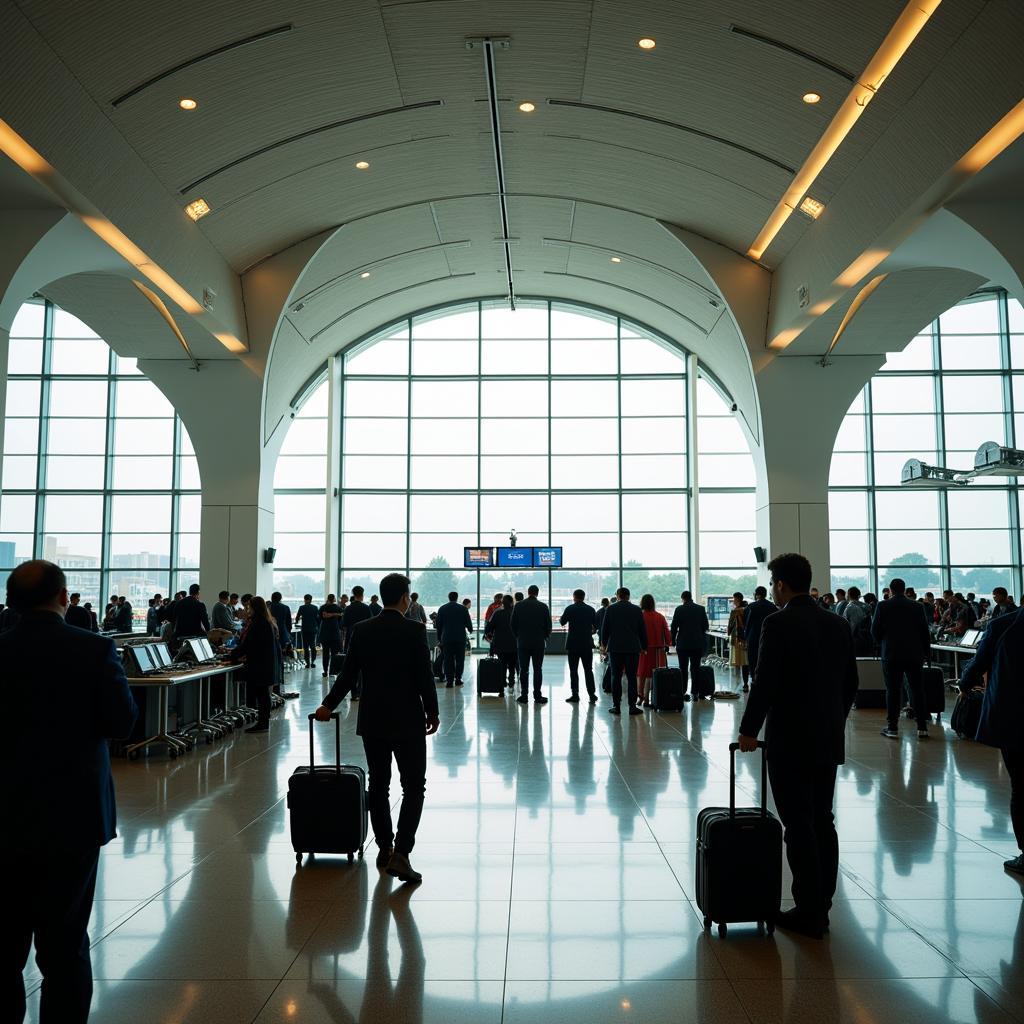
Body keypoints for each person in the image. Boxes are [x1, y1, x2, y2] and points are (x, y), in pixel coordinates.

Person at [2, 560, 138, 1022]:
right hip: (73, 817)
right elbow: (122, 723)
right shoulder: (95, 650)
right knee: (65, 945)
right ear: (64, 597)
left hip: (5, 816)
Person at [737, 552, 858, 939]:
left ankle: (808, 909)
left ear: (781, 584)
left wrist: (748, 730)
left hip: (790, 739)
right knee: (823, 818)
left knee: (798, 823)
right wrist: (834, 719)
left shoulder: (778, 623)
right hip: (827, 737)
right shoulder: (837, 623)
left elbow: (766, 682)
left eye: (774, 583)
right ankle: (822, 902)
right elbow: (851, 682)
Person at [315, 573, 440, 884]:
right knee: (413, 787)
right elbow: (425, 676)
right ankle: (402, 852)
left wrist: (327, 705)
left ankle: (384, 847)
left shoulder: (363, 630)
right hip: (408, 719)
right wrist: (433, 711)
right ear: (404, 598)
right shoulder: (414, 630)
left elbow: (347, 675)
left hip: (373, 719)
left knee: (379, 784)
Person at [959, 606, 1024, 875]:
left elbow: (980, 661)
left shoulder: (1002, 625)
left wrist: (965, 683)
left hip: (1015, 717)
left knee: (1020, 786)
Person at [871, 577, 933, 740]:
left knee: (893, 690)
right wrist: (926, 653)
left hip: (891, 654)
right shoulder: (917, 606)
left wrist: (883, 643)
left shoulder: (882, 606)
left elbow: (874, 630)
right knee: (917, 689)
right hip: (914, 654)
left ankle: (892, 727)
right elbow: (924, 632)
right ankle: (922, 727)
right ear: (905, 590)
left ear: (890, 590)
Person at [226, 595, 280, 733]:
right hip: (266, 663)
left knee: (261, 694)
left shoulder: (258, 623)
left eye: (249, 607)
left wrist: (232, 655)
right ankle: (264, 721)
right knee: (264, 694)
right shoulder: (267, 621)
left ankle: (262, 723)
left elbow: (248, 644)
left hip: (260, 664)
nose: (247, 609)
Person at [600, 586, 647, 715]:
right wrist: (644, 646)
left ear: (618, 595)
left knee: (616, 676)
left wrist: (604, 645)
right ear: (628, 596)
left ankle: (616, 706)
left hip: (615, 648)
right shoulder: (637, 610)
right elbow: (642, 630)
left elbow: (605, 629)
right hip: (632, 648)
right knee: (632, 677)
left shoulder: (610, 609)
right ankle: (632, 706)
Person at [510, 584, 551, 705]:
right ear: (537, 593)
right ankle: (537, 696)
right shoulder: (543, 606)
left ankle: (524, 695)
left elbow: (512, 624)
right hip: (539, 643)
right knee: (538, 669)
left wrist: (518, 636)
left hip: (523, 642)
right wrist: (544, 637)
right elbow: (548, 625)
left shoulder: (519, 605)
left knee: (524, 669)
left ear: (528, 592)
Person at [560, 589, 598, 703]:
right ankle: (592, 694)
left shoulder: (570, 608)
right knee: (588, 670)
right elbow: (595, 627)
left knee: (573, 670)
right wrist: (589, 632)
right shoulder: (591, 609)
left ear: (574, 597)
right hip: (586, 643)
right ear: (584, 597)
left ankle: (575, 694)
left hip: (573, 644)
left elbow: (562, 621)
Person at [670, 591, 708, 701]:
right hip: (697, 644)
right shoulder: (700, 609)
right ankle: (695, 693)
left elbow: (674, 627)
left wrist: (673, 640)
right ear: (691, 598)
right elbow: (705, 626)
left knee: (683, 668)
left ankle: (683, 691)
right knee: (695, 668)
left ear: (682, 598)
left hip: (683, 644)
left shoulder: (679, 609)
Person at [637, 594, 670, 708]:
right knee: (654, 674)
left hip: (643, 649)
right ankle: (651, 698)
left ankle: (641, 697)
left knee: (641, 674)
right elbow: (666, 631)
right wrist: (667, 644)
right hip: (658, 650)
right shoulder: (660, 616)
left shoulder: (640, 616)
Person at [435, 591, 473, 687]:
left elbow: (438, 625)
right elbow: (468, 622)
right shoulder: (463, 609)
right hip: (460, 638)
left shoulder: (442, 608)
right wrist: (470, 629)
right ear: (457, 598)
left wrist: (439, 638)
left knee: (448, 660)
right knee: (460, 659)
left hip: (447, 638)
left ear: (449, 597)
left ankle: (449, 681)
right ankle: (458, 679)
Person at [342, 587, 374, 697]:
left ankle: (353, 693)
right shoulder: (366, 608)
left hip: (351, 638)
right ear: (362, 594)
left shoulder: (348, 609)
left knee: (351, 667)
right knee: (363, 666)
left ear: (353, 594)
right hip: (364, 639)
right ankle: (361, 690)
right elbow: (371, 623)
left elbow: (344, 625)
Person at [743, 585, 776, 688]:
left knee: (753, 662)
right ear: (765, 594)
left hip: (753, 638)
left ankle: (754, 681)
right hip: (769, 638)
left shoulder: (751, 607)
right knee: (767, 661)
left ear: (756, 594)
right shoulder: (772, 607)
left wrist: (746, 638)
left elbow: (746, 624)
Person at [484, 594, 518, 687]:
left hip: (500, 644)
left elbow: (489, 627)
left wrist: (489, 635)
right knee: (512, 664)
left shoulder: (497, 613)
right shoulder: (516, 613)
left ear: (502, 603)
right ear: (512, 603)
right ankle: (511, 680)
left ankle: (502, 681)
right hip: (514, 644)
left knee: (502, 664)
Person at [727, 592, 749, 690]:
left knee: (737, 662)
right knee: (745, 662)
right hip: (745, 638)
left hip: (736, 639)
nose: (733, 601)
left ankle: (737, 684)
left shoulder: (735, 611)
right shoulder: (747, 609)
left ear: (737, 599)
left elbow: (730, 626)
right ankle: (745, 683)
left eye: (734, 599)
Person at [318, 593, 344, 677]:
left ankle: (325, 671)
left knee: (325, 654)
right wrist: (335, 615)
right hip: (334, 633)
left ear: (328, 598)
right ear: (334, 599)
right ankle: (332, 672)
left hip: (324, 633)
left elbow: (320, 618)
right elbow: (341, 620)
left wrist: (328, 615)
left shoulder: (322, 607)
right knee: (334, 654)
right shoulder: (338, 608)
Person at [842, 586, 872, 655]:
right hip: (867, 639)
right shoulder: (867, 606)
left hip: (855, 640)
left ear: (848, 595)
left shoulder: (850, 607)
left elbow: (852, 626)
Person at [294, 594, 320, 668]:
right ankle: (313, 662)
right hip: (313, 629)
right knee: (312, 646)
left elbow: (297, 618)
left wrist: (296, 622)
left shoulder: (302, 607)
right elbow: (318, 619)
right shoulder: (315, 608)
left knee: (305, 647)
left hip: (305, 629)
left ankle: (307, 663)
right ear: (311, 600)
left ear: (304, 599)